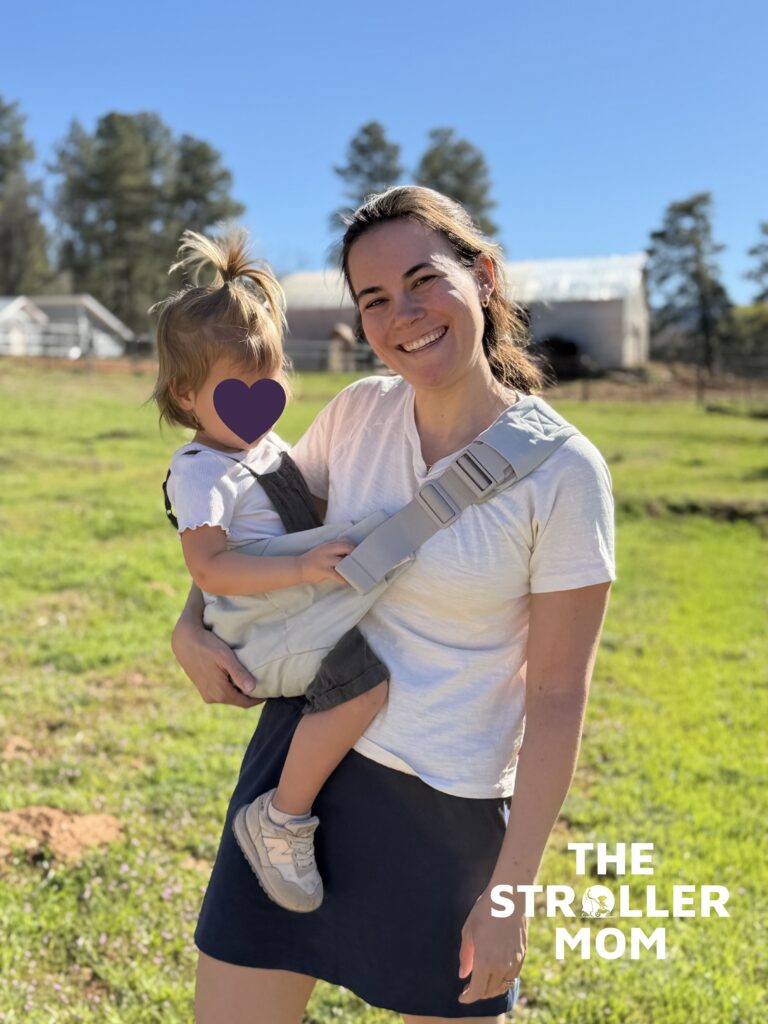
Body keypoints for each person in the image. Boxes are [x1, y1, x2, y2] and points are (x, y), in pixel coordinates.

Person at [172, 186, 616, 1024]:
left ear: (482, 277)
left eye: (424, 280)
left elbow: (557, 697)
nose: (402, 314)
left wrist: (512, 892)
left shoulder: (564, 473)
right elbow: (255, 535)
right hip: (293, 795)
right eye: (374, 299)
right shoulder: (356, 412)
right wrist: (188, 624)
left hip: (445, 813)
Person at [151, 227, 391, 913]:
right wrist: (307, 564)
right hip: (259, 620)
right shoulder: (199, 473)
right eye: (241, 388)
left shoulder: (261, 444)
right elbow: (213, 570)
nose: (265, 397)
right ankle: (282, 817)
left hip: (288, 599)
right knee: (358, 685)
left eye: (274, 378)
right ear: (187, 394)